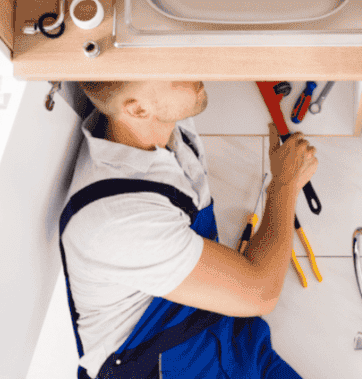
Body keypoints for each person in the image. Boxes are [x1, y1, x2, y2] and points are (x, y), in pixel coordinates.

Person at [59, 81, 317, 379]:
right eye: (178, 72)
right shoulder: (121, 218)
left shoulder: (157, 127)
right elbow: (260, 293)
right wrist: (285, 184)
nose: (196, 70)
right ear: (138, 108)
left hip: (230, 341)